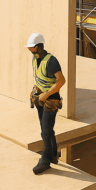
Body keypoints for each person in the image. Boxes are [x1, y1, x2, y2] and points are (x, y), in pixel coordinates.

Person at [27, 33, 65, 175]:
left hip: (50, 100)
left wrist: (46, 94)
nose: (30, 50)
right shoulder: (35, 59)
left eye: (31, 48)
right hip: (40, 99)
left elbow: (61, 81)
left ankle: (46, 159)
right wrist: (37, 91)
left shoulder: (51, 61)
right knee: (46, 128)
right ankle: (54, 153)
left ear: (38, 47)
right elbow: (38, 76)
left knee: (46, 131)